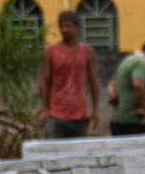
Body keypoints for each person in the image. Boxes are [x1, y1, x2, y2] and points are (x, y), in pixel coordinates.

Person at [39, 10, 100, 139]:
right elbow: (45, 81)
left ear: (76, 27)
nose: (65, 30)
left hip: (79, 116)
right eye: (61, 27)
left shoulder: (87, 52)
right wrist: (45, 110)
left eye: (68, 26)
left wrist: (95, 110)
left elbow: (94, 81)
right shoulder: (51, 52)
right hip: (56, 115)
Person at [107, 36, 145, 136]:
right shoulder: (140, 64)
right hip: (132, 121)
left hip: (117, 120)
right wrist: (144, 109)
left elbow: (112, 83)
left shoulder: (128, 60)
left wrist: (112, 94)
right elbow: (138, 84)